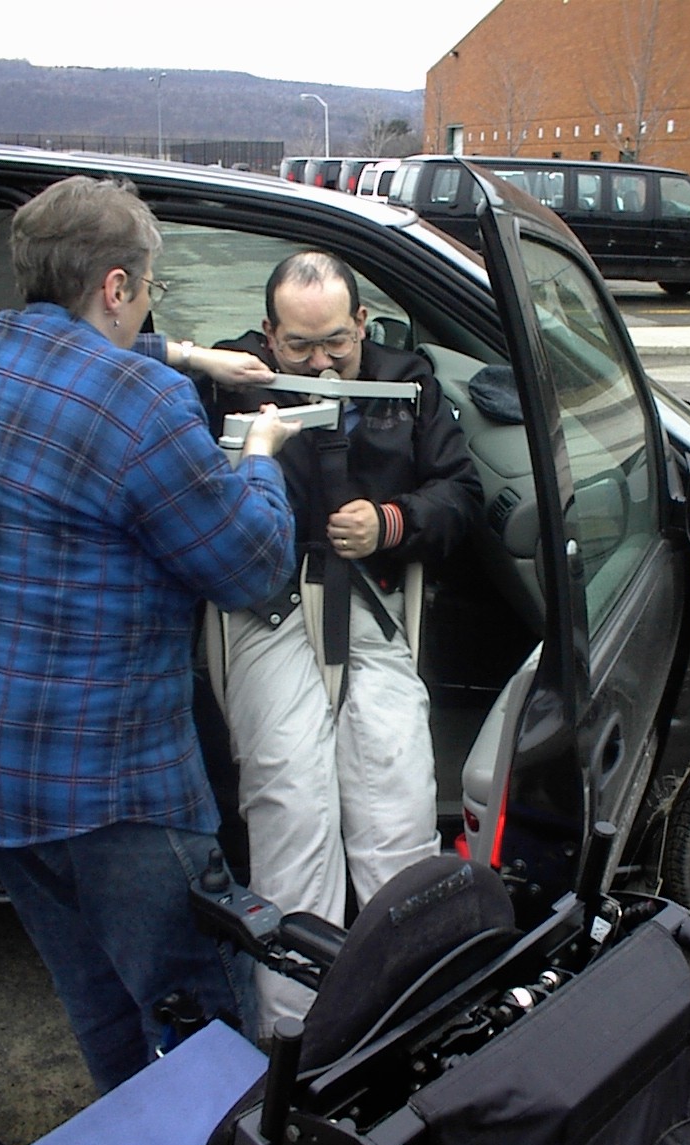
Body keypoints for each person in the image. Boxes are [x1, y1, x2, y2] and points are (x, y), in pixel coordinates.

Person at [0, 175, 302, 1093]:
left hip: (4, 788)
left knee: (103, 1009)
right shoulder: (140, 404)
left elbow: (79, 363)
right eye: (148, 286)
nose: (147, 304)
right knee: (205, 1017)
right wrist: (260, 456)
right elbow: (250, 566)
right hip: (120, 796)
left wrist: (193, 355)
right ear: (116, 286)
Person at [205, 250, 483, 1030]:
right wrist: (202, 365)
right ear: (269, 334)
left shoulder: (410, 385)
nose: (322, 362)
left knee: (396, 787)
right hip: (269, 607)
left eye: (336, 342)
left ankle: (414, 1010)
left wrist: (391, 522)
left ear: (362, 321)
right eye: (299, 347)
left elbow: (460, 493)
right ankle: (297, 1035)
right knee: (290, 801)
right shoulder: (229, 379)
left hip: (373, 602)